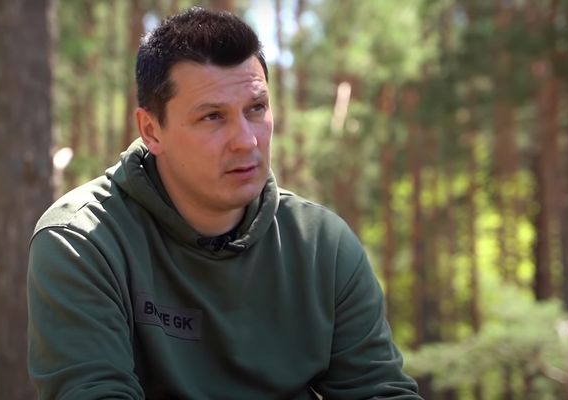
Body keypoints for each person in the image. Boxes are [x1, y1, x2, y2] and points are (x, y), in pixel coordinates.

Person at [27, 7, 421, 400]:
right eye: (213, 117)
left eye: (256, 109)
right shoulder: (83, 242)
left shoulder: (321, 246)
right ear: (151, 130)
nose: (247, 141)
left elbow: (380, 391)